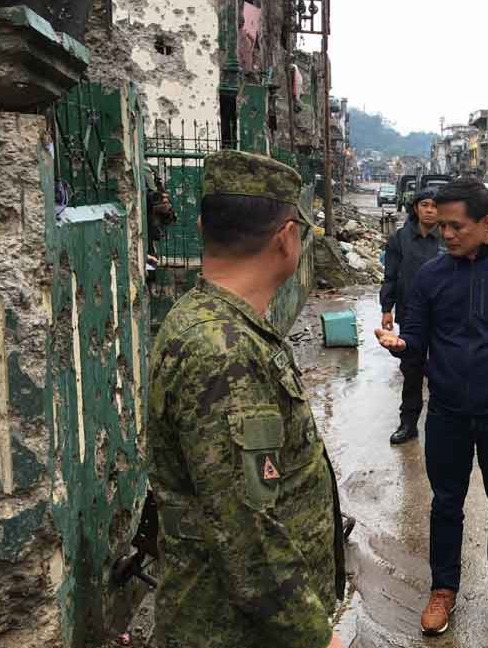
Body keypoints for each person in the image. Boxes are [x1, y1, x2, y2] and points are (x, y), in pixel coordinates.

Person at [148, 150, 345, 648]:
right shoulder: (222, 350)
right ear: (287, 237)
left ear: (201, 225)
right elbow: (246, 532)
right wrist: (315, 636)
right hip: (238, 630)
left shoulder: (216, 323)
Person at [373, 178, 488, 636]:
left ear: (486, 222)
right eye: (443, 225)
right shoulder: (431, 276)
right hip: (447, 411)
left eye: (457, 226)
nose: (447, 234)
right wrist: (401, 345)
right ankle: (443, 588)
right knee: (446, 503)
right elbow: (417, 336)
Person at [380, 187, 443, 445]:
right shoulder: (400, 239)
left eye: (435, 206)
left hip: (444, 315)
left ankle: (443, 424)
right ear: (416, 208)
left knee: (443, 368)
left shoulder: (448, 237)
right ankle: (408, 423)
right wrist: (387, 308)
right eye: (425, 205)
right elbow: (391, 276)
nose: (429, 210)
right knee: (411, 369)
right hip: (411, 314)